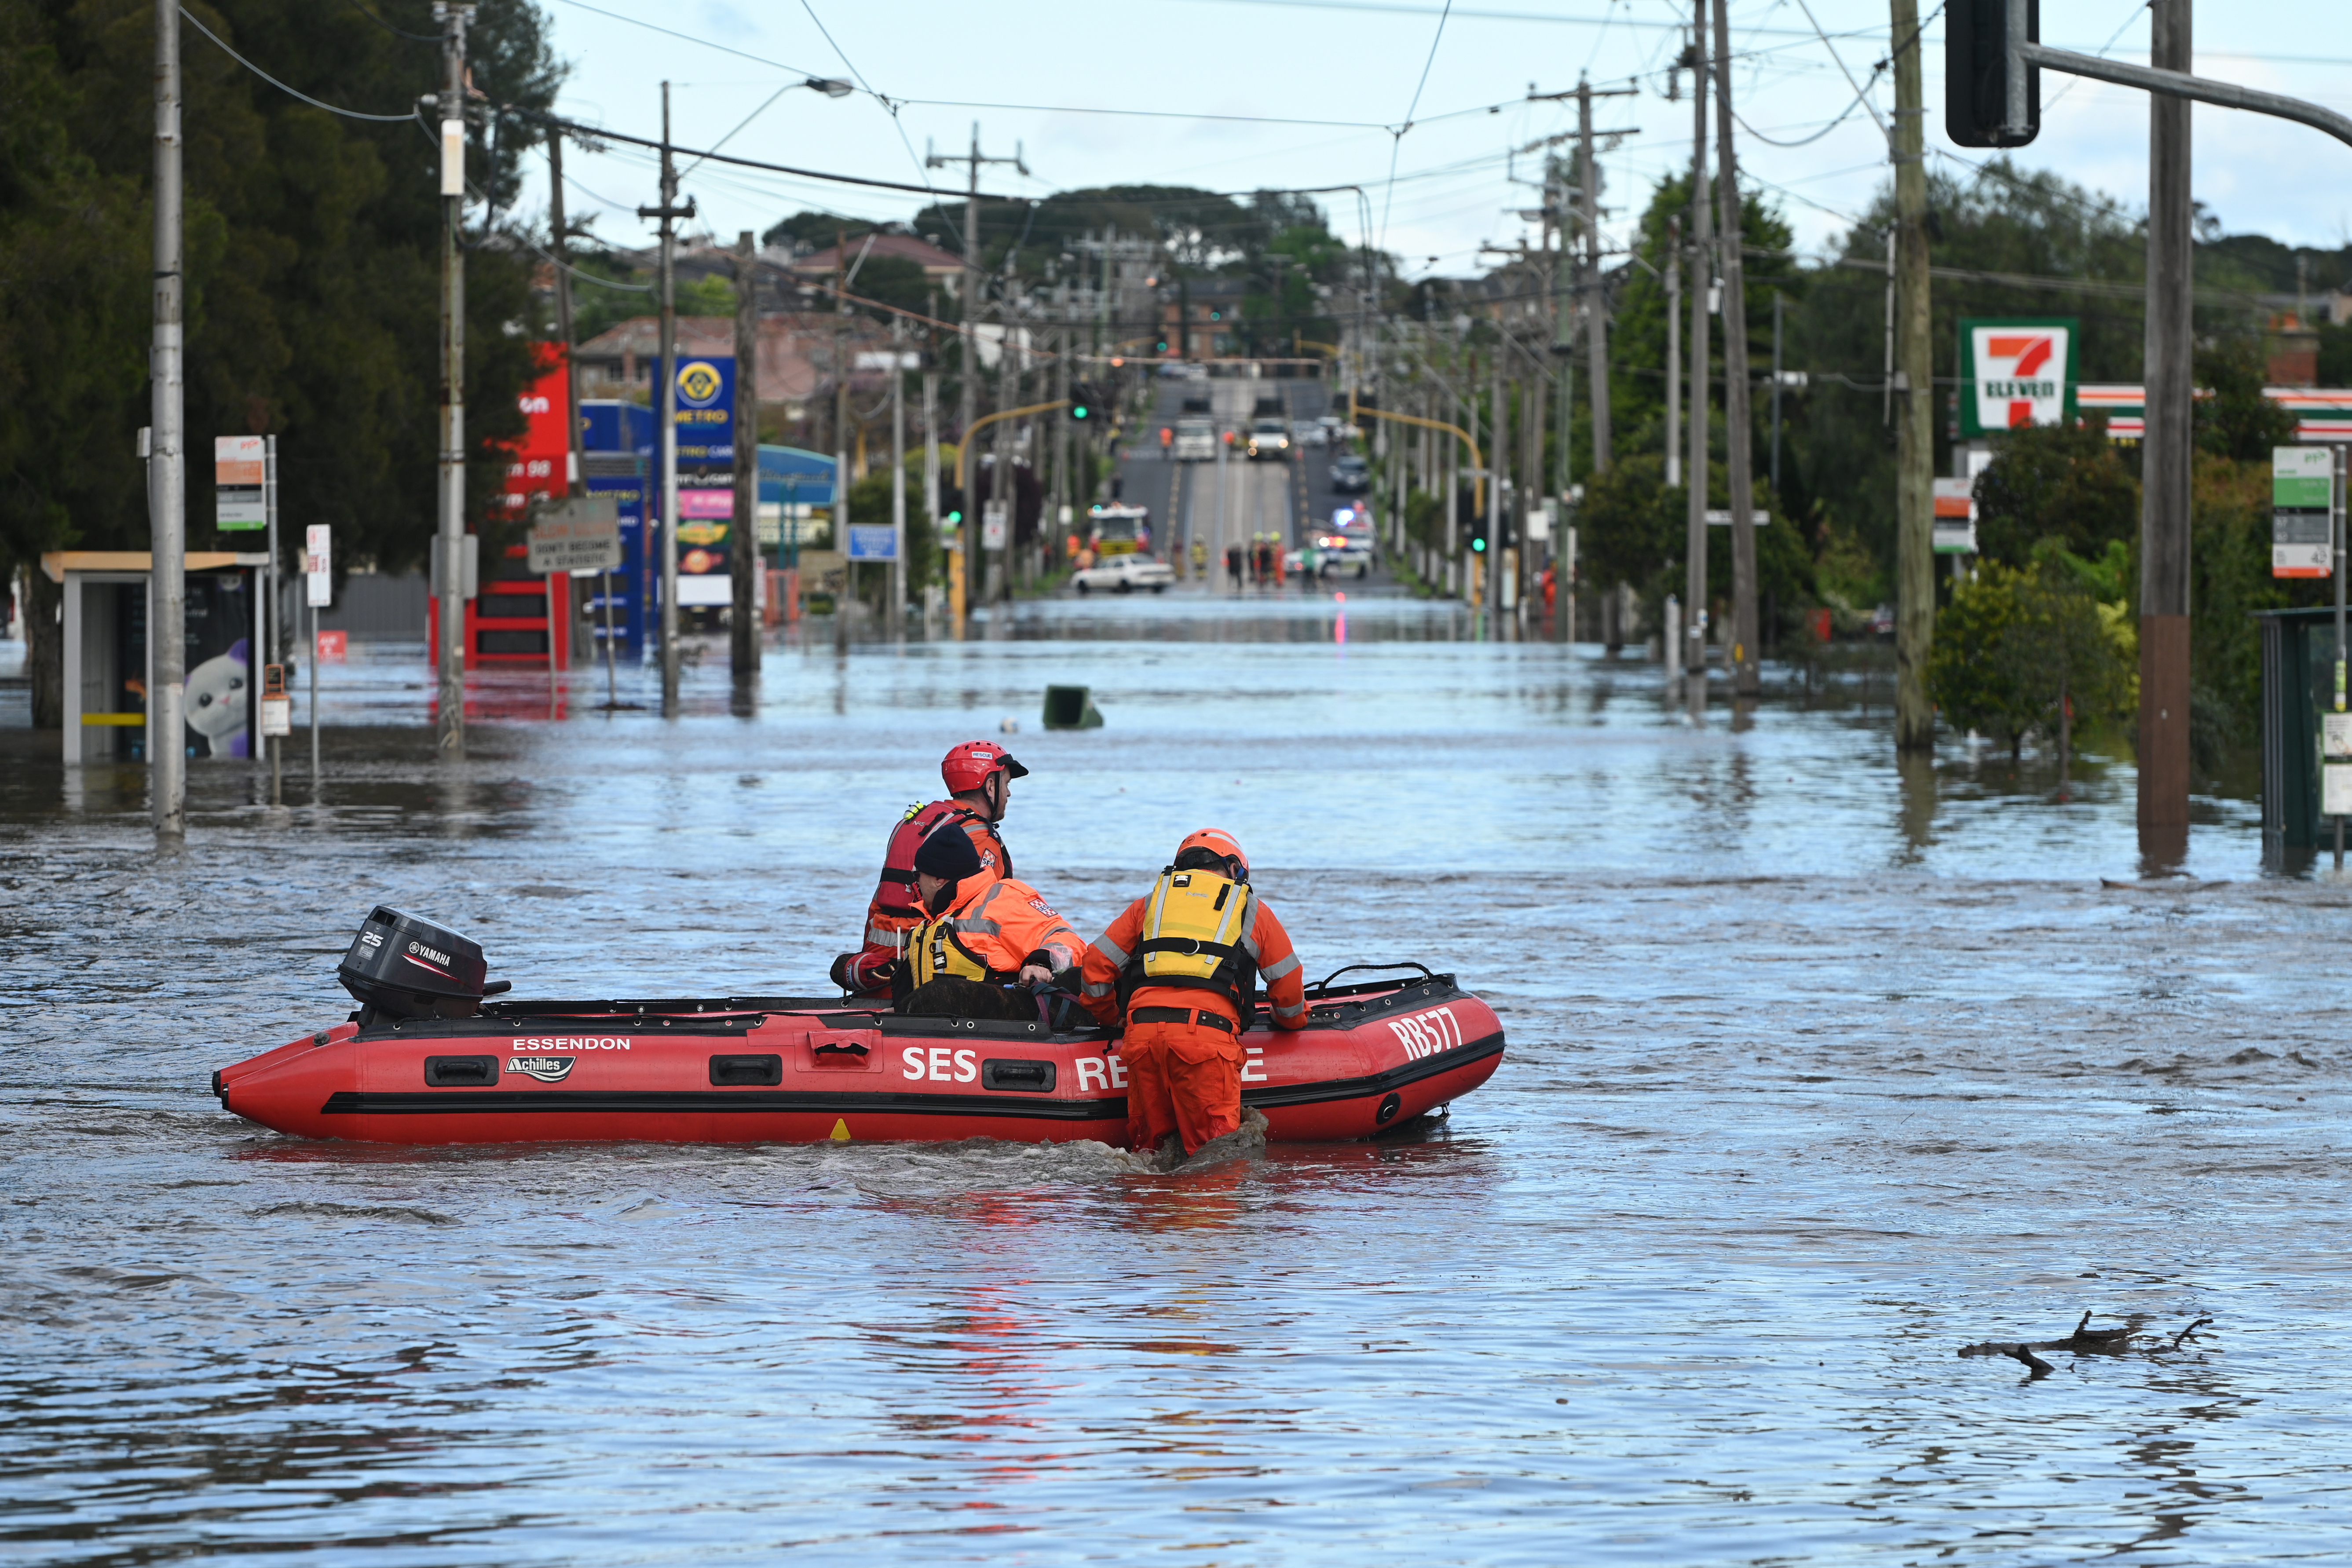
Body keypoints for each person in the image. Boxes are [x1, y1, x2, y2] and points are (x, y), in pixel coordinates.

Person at [1079, 829, 1306, 1158]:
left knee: (1149, 1153)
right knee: (1214, 1161)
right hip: (1206, 1041)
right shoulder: (1248, 906)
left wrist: (1110, 1017)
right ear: (1234, 869)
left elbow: (1094, 967)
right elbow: (1287, 987)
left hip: (1141, 1037)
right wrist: (1292, 1021)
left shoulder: (1150, 904)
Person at [831, 740, 1028, 996]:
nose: (1009, 794)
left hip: (878, 969)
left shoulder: (914, 821)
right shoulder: (978, 835)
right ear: (990, 786)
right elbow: (985, 914)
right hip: (925, 975)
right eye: (1007, 784)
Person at [893, 827, 1085, 1009]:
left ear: (939, 880)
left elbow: (1069, 941)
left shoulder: (1005, 901)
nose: (916, 882)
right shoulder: (927, 926)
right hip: (933, 1029)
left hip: (994, 1028)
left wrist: (1040, 965)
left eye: (918, 875)